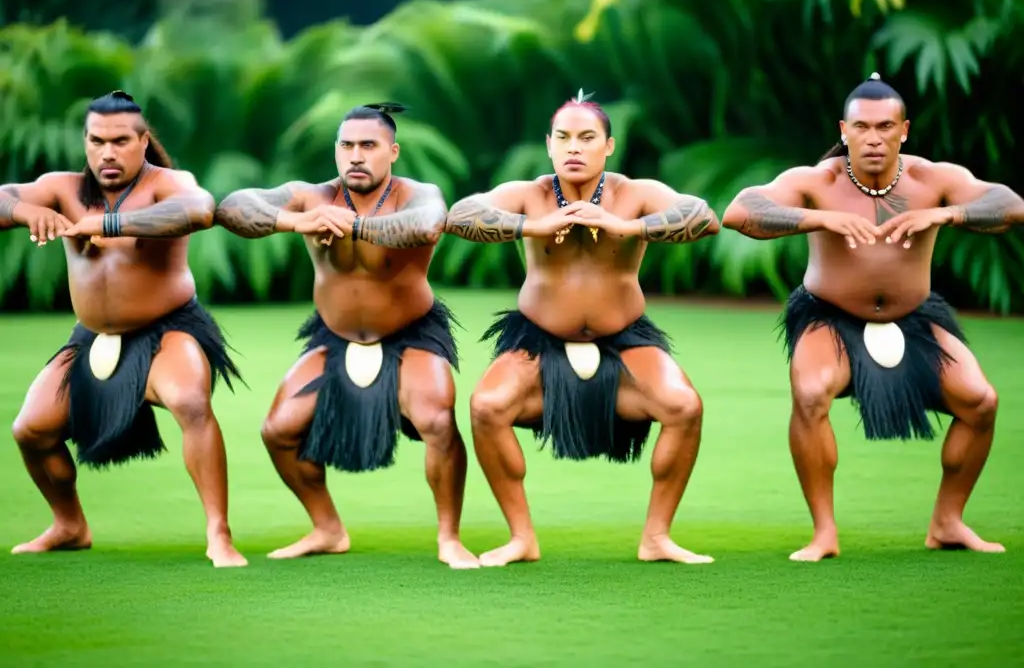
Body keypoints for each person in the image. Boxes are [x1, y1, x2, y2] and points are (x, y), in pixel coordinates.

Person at [721, 73, 1024, 562]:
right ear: (845, 130)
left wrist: (946, 215)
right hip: (829, 316)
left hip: (915, 317)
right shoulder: (819, 182)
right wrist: (820, 218)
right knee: (813, 392)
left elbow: (1011, 206)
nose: (874, 138)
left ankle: (948, 523)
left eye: (886, 126)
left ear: (904, 130)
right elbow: (739, 213)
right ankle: (824, 533)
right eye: (862, 127)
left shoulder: (933, 180)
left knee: (981, 402)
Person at [443, 90, 719, 567]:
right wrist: (532, 226)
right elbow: (459, 215)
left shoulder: (635, 194)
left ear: (608, 146)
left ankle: (656, 537)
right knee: (487, 406)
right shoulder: (529, 194)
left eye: (587, 137)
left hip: (625, 339)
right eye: (564, 138)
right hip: (538, 338)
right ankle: (521, 537)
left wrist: (626, 227)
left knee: (683, 405)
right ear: (549, 144)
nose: (574, 147)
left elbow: (705, 218)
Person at [214, 102, 478, 569]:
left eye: (368, 146)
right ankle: (327, 528)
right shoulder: (309, 197)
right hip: (333, 336)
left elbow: (425, 224)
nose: (356, 155)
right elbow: (232, 207)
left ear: (392, 151)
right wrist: (294, 221)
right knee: (278, 430)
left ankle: (449, 537)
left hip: (411, 333)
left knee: (436, 421)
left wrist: (351, 224)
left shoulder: (417, 193)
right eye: (347, 145)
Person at [0, 91, 247, 567]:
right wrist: (23, 211)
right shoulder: (63, 188)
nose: (107, 152)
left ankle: (219, 534)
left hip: (168, 329)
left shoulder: (168, 184)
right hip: (92, 336)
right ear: (86, 142)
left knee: (190, 402)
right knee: (30, 430)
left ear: (142, 140)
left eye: (119, 141)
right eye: (96, 141)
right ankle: (69, 525)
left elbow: (199, 210)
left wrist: (112, 222)